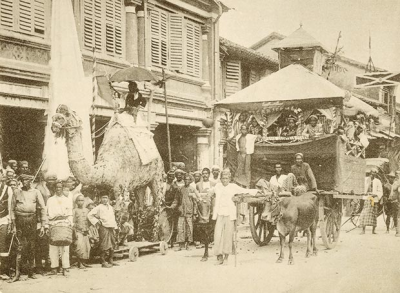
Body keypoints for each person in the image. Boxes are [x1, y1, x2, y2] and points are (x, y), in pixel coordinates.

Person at [210, 170, 259, 265]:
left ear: (229, 179)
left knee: (228, 236)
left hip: (229, 214)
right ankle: (219, 257)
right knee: (217, 236)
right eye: (223, 178)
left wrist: (256, 191)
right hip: (219, 214)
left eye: (226, 178)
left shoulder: (233, 187)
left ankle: (226, 258)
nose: (225, 180)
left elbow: (244, 191)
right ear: (220, 179)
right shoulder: (217, 186)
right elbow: (210, 191)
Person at [10, 174, 48, 281]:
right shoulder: (16, 192)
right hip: (19, 221)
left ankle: (31, 272)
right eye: (22, 180)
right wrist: (13, 225)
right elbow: (12, 209)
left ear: (31, 181)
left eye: (26, 180)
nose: (24, 182)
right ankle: (17, 274)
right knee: (20, 246)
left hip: (32, 220)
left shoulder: (36, 192)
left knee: (32, 246)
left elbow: (42, 208)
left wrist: (43, 225)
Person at [47, 180, 73, 276]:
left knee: (65, 247)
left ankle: (65, 267)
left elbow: (70, 213)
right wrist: (48, 225)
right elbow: (47, 214)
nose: (58, 189)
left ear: (62, 189)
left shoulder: (67, 200)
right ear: (54, 189)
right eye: (56, 187)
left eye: (60, 187)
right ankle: (54, 267)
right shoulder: (50, 200)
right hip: (53, 224)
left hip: (64, 223)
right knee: (53, 247)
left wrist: (70, 224)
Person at [87, 193, 119, 268]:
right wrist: (97, 221)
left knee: (112, 243)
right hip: (103, 227)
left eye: (106, 198)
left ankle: (110, 260)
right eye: (103, 198)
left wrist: (116, 227)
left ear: (108, 198)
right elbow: (89, 215)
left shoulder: (111, 207)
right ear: (100, 199)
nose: (105, 199)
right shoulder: (98, 207)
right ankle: (103, 261)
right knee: (104, 244)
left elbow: (112, 218)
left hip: (111, 227)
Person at [176, 174, 199, 251]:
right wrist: (176, 207)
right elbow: (176, 200)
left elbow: (195, 202)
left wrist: (195, 213)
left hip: (189, 212)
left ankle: (188, 244)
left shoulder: (192, 190)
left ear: (190, 181)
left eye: (188, 179)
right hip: (181, 212)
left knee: (189, 228)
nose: (186, 181)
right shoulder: (180, 189)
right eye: (185, 179)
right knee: (180, 228)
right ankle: (180, 245)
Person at [360, 171, 383, 235]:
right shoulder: (366, 180)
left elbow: (380, 191)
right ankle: (363, 230)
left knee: (374, 215)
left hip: (374, 199)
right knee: (364, 214)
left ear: (375, 174)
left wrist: (375, 195)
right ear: (369, 174)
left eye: (373, 174)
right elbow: (363, 188)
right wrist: (365, 193)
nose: (372, 175)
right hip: (367, 198)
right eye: (371, 174)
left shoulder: (378, 181)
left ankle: (373, 230)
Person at [0, 172, 13, 280]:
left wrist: (9, 221)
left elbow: (10, 207)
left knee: (3, 245)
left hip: (3, 219)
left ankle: (3, 271)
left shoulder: (7, 189)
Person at [73, 195, 91, 268]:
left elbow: (90, 220)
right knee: (79, 247)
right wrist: (75, 233)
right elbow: (73, 223)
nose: (81, 202)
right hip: (78, 231)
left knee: (87, 247)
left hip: (85, 231)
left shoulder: (87, 210)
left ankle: (83, 262)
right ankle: (79, 263)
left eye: (82, 200)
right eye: (79, 200)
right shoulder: (74, 210)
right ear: (76, 202)